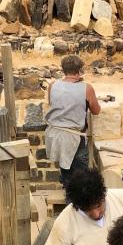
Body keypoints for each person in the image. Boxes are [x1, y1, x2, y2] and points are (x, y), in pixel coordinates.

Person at [45, 55, 101, 185]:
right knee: (81, 178)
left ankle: (68, 194)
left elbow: (53, 103)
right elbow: (96, 111)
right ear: (79, 70)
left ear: (63, 70)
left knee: (66, 170)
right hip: (74, 138)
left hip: (56, 135)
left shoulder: (53, 85)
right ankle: (76, 202)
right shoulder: (87, 88)